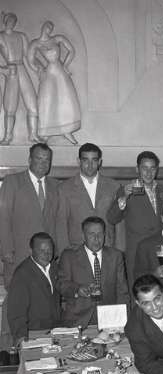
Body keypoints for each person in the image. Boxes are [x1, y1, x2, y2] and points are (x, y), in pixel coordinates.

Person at [0, 143, 58, 287]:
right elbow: (3, 218)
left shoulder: (56, 186)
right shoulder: (12, 182)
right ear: (30, 160)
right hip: (19, 255)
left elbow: (58, 221)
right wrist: (6, 250)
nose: (43, 163)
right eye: (39, 158)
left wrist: (57, 252)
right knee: (19, 296)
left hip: (47, 258)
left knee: (44, 296)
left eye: (47, 160)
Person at [107, 151, 163, 286]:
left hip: (161, 251)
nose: (148, 172)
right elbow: (112, 218)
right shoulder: (127, 190)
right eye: (144, 168)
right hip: (136, 251)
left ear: (157, 170)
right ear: (137, 169)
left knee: (160, 288)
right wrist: (124, 198)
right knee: (138, 289)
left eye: (152, 168)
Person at [57, 217, 129, 327]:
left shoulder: (116, 256)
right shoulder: (69, 256)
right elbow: (61, 284)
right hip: (78, 319)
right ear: (83, 236)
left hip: (109, 319)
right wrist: (77, 289)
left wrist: (125, 320)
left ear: (104, 235)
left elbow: (122, 292)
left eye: (100, 234)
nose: (97, 238)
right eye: (92, 234)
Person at [56, 143, 121, 253]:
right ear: (79, 161)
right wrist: (65, 253)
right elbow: (61, 224)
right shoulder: (65, 188)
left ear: (99, 161)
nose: (90, 165)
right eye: (85, 160)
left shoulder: (114, 186)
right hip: (77, 250)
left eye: (94, 160)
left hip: (107, 248)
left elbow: (119, 222)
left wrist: (119, 251)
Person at [27, 20, 81, 144]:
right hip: (48, 73)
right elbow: (30, 59)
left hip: (60, 71)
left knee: (65, 99)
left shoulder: (57, 38)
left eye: (51, 27)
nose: (49, 29)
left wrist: (65, 65)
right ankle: (47, 131)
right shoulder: (36, 43)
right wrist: (39, 68)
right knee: (47, 101)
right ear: (43, 27)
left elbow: (71, 50)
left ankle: (67, 131)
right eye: (47, 26)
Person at [7, 233, 60, 341]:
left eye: (50, 250)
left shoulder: (54, 266)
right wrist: (21, 338)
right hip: (33, 334)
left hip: (55, 330)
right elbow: (16, 311)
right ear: (31, 251)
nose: (46, 254)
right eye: (42, 250)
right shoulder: (22, 274)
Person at [0, 12, 41, 144]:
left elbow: (29, 56)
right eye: (9, 20)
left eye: (14, 21)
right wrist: (3, 70)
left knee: (33, 104)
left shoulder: (21, 36)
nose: (12, 23)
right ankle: (7, 137)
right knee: (10, 107)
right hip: (11, 71)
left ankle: (33, 135)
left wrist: (39, 68)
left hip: (21, 68)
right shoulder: (1, 36)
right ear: (5, 21)